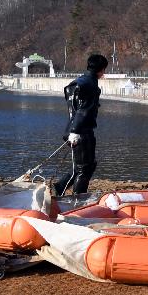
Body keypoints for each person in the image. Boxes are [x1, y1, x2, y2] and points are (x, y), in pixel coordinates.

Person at [55, 54, 108, 196]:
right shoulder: (90, 85)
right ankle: (78, 198)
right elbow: (83, 111)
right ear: (101, 70)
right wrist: (75, 131)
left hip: (74, 130)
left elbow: (74, 109)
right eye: (104, 70)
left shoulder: (75, 83)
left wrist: (71, 131)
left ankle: (60, 187)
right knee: (84, 168)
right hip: (81, 131)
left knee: (85, 166)